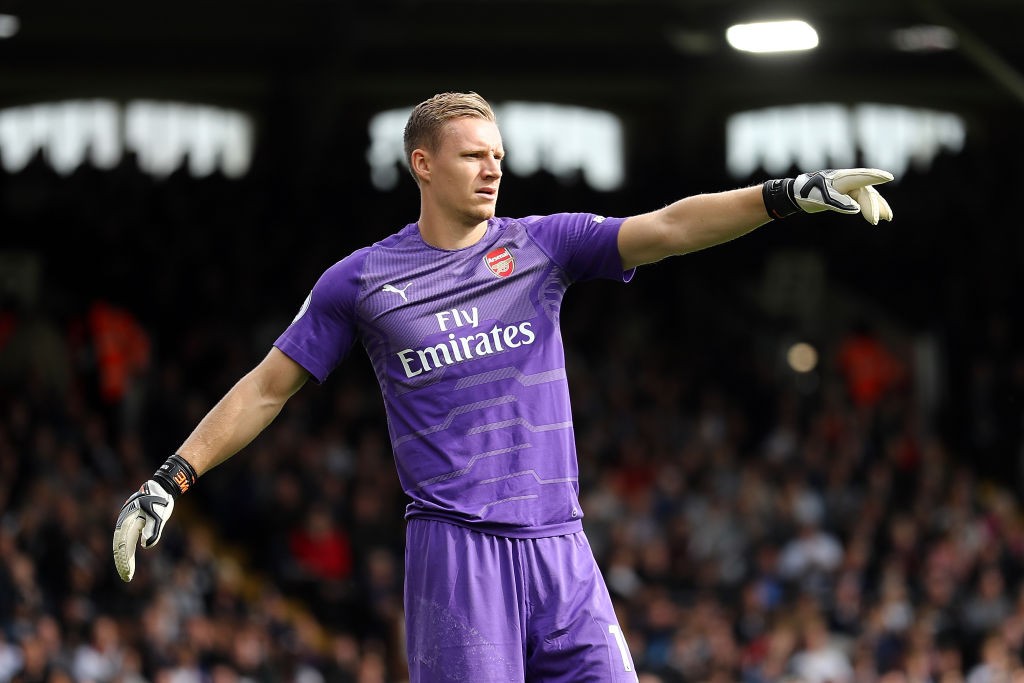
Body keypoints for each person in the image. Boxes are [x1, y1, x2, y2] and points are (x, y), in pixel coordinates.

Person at [113, 91, 894, 682]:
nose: (493, 168)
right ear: (422, 165)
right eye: (472, 156)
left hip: (561, 545)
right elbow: (266, 388)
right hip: (457, 555)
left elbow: (670, 227)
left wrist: (787, 194)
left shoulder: (542, 246)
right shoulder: (361, 280)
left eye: (498, 155)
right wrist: (171, 478)